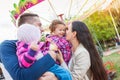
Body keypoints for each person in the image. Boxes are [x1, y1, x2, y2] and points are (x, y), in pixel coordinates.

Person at [0, 13, 71, 80]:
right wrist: (50, 56)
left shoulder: (39, 45)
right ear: (26, 26)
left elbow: (56, 71)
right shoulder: (8, 45)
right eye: (39, 25)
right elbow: (21, 77)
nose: (42, 29)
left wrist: (56, 77)